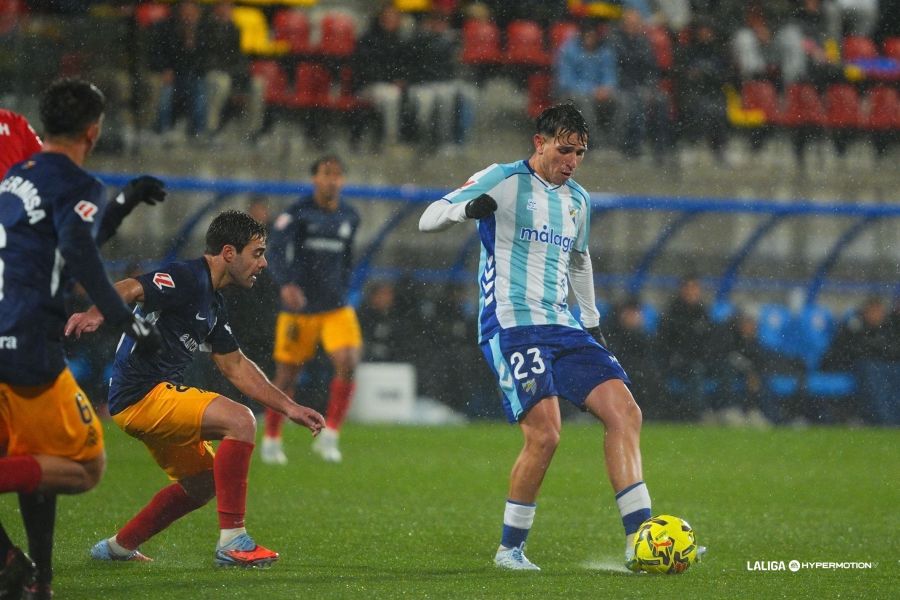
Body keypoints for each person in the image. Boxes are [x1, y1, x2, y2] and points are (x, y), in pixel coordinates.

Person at [418, 102, 659, 571]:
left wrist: (590, 322)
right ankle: (510, 549)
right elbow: (429, 217)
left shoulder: (578, 200)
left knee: (626, 412)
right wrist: (469, 209)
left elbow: (579, 261)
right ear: (540, 142)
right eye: (564, 149)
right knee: (547, 434)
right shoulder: (503, 179)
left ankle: (640, 542)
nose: (571, 161)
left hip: (563, 325)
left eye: (580, 153)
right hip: (511, 324)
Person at [64, 210, 326, 568]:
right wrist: (97, 312)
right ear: (230, 252)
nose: (263, 263)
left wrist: (290, 407)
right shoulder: (187, 276)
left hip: (147, 400)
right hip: (143, 396)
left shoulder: (214, 304)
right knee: (241, 420)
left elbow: (235, 365)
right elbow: (132, 287)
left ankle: (117, 548)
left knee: (203, 484)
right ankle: (233, 542)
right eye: (258, 252)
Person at [0, 78, 163, 600]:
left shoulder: (13, 179)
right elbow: (80, 251)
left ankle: (36, 579)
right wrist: (124, 316)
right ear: (93, 132)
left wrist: (121, 203)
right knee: (86, 467)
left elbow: (63, 233)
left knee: (35, 460)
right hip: (27, 346)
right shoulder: (76, 183)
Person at [263, 155, 362, 465]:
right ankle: (271, 439)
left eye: (337, 174)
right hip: (300, 308)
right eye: (325, 174)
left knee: (348, 361)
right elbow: (274, 250)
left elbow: (347, 257)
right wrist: (286, 284)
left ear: (342, 180)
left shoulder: (350, 216)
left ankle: (330, 436)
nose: (331, 180)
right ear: (315, 179)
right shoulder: (297, 213)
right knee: (287, 375)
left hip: (335, 306)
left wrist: (344, 285)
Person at [0, 108, 42, 176]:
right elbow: (40, 158)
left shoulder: (16, 121)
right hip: (12, 184)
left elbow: (39, 157)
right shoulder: (15, 120)